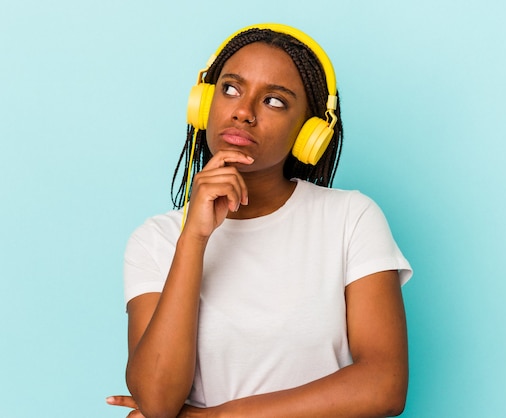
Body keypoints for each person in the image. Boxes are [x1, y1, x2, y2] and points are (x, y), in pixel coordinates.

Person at [107, 23, 412, 418]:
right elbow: (158, 401)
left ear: (309, 132)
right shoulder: (155, 240)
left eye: (274, 101)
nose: (243, 112)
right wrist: (194, 239)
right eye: (230, 89)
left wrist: (210, 416)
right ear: (203, 103)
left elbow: (384, 385)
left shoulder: (351, 218)